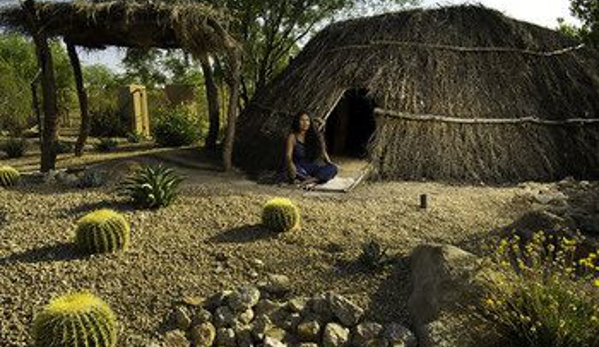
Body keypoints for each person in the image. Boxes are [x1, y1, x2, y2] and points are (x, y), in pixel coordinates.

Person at [285, 111, 338, 187]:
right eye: (302, 120)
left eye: (307, 120)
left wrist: (329, 162)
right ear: (297, 122)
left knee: (333, 168)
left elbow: (323, 151)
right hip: (299, 167)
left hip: (313, 166)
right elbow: (288, 155)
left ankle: (307, 181)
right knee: (293, 171)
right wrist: (290, 164)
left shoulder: (314, 135)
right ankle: (316, 180)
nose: (305, 123)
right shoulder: (292, 137)